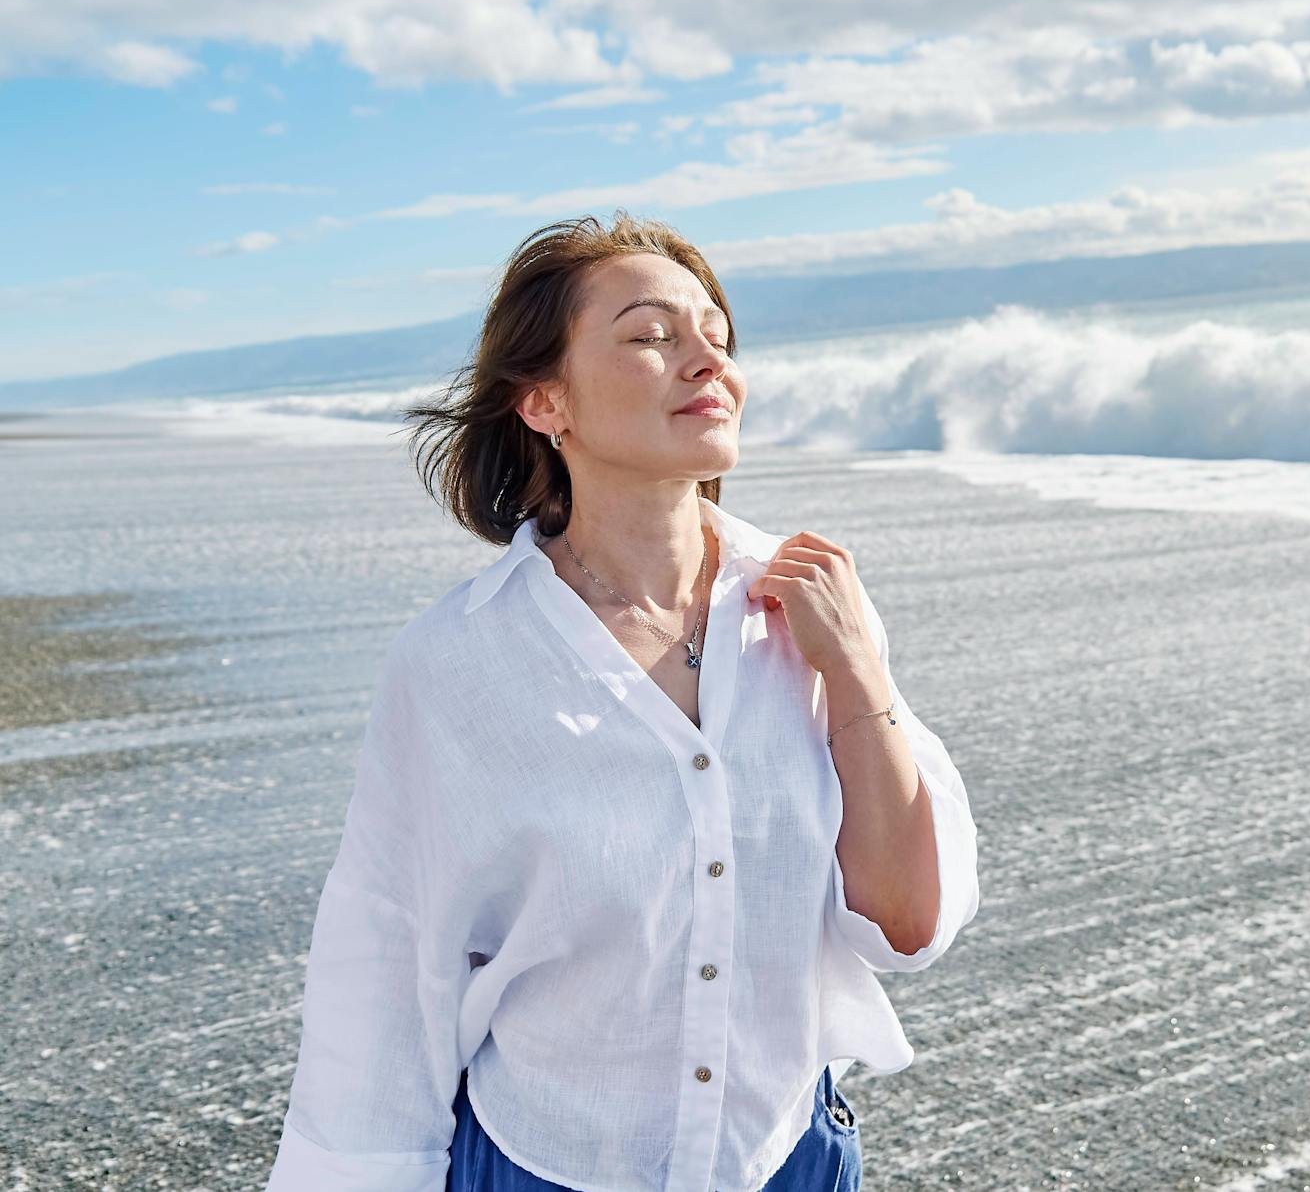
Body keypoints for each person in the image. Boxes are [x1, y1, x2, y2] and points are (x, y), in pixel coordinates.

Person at [261, 211, 982, 1191]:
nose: (704, 361)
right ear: (545, 400)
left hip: (789, 1161)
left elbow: (904, 922)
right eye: (651, 336)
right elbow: (390, 963)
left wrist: (856, 673)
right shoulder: (458, 662)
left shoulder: (814, 609)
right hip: (544, 1161)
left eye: (717, 338)